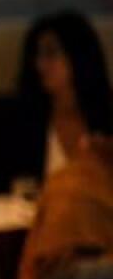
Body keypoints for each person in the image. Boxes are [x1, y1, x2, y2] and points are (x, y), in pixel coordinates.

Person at [13, 10, 113, 181]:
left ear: (78, 56)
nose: (40, 65)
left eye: (51, 53)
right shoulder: (24, 124)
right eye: (37, 55)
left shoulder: (107, 118)